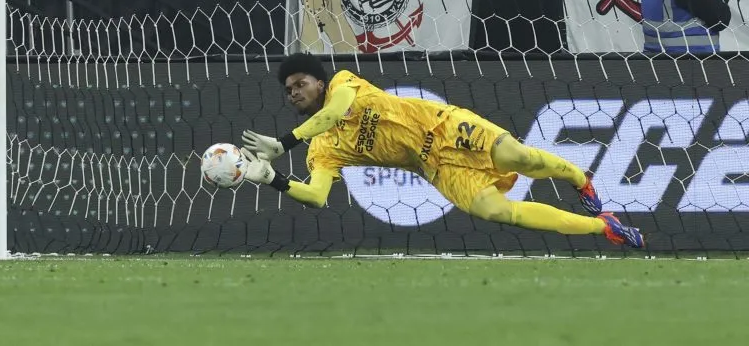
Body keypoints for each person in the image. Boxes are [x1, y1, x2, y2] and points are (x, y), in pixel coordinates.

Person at [239, 53, 646, 248]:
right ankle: (604, 226)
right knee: (497, 212)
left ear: (319, 81)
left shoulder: (345, 83)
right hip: (433, 168)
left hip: (445, 126)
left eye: (300, 83)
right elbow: (317, 197)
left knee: (519, 158)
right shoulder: (322, 151)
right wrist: (274, 179)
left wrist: (285, 142)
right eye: (289, 90)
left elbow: (337, 110)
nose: (294, 93)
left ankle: (579, 178)